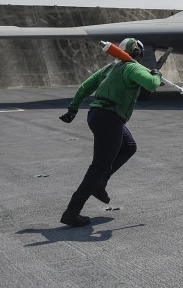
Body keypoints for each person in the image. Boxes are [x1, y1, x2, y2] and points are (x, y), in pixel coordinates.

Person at [57, 38, 163, 227]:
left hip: (97, 115)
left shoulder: (109, 68)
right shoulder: (133, 68)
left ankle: (100, 183)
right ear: (138, 53)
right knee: (98, 166)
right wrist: (157, 75)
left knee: (129, 146)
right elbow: (152, 84)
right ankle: (72, 212)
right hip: (110, 119)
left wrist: (73, 109)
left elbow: (84, 87)